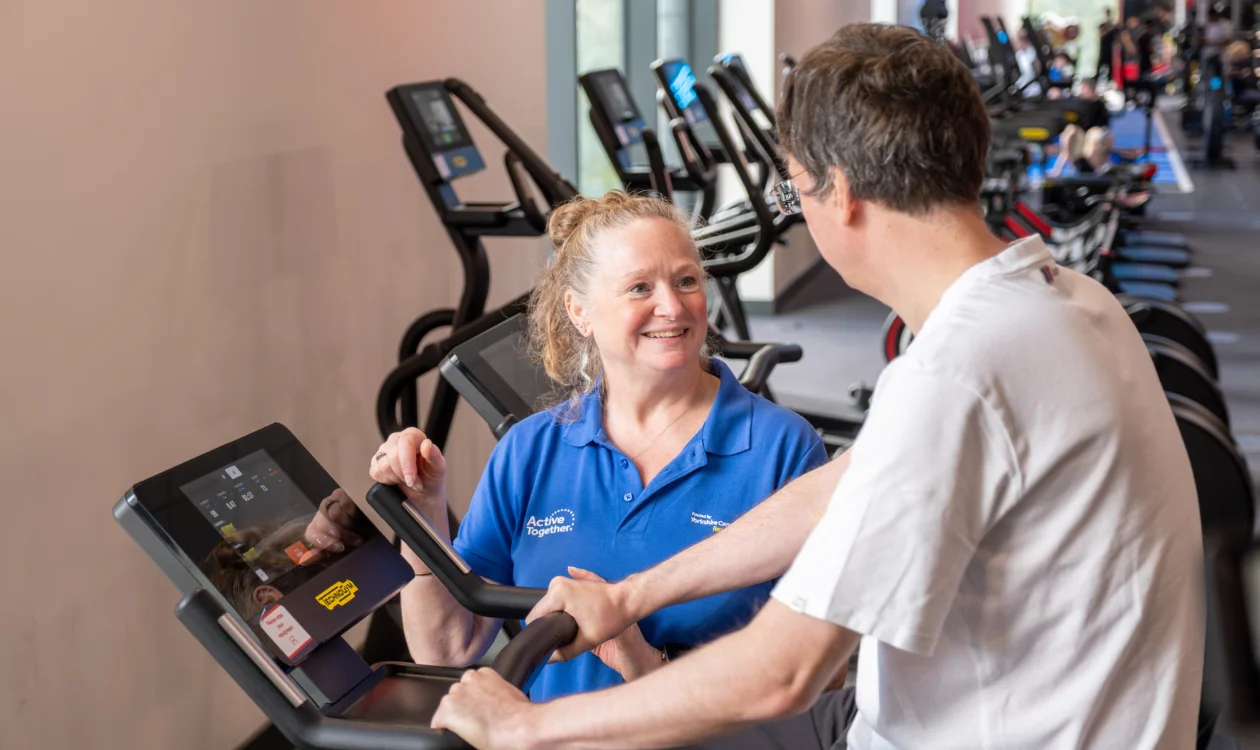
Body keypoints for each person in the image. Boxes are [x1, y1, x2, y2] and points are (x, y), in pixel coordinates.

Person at [431, 23, 1204, 750]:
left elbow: (782, 674)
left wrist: (523, 730)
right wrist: (635, 596)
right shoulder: (1064, 298)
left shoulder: (955, 375)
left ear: (841, 194)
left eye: (798, 186)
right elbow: (856, 479)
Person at [343, 190, 828, 703]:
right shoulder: (530, 450)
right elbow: (445, 647)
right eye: (640, 287)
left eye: (686, 280)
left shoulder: (783, 450)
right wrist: (422, 512)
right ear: (580, 312)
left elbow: (824, 673)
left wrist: (649, 668)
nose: (672, 305)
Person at [1050, 78, 1114, 175]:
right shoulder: (1079, 104)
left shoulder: (1099, 104)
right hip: (1080, 134)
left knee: (1093, 136)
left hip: (1095, 133)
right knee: (1070, 131)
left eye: (1085, 88)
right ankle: (1060, 168)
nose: (1082, 91)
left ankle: (1096, 170)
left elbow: (1103, 125)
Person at [1098, 8, 1119, 82]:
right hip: (1103, 48)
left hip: (1111, 49)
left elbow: (1117, 38)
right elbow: (1100, 34)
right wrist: (1109, 29)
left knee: (1110, 66)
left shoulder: (1114, 27)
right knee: (1100, 65)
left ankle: (1110, 80)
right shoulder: (1102, 26)